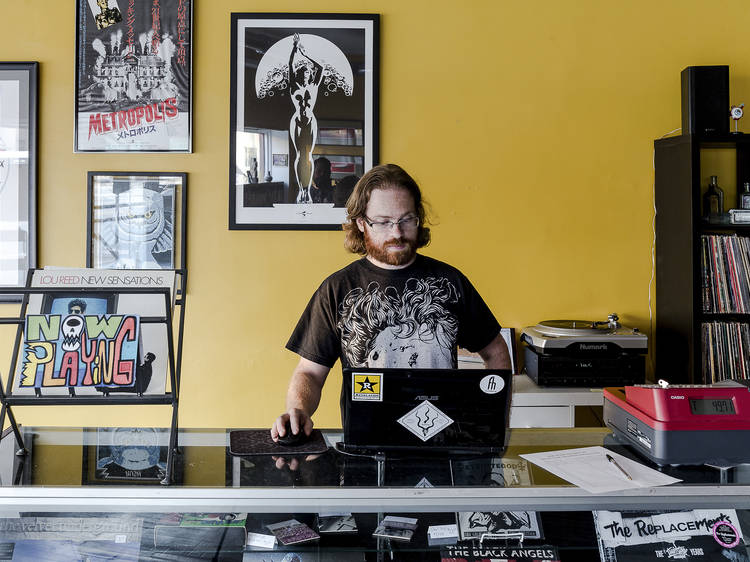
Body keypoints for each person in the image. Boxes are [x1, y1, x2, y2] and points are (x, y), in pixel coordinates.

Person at [271, 163, 511, 441]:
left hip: (445, 450)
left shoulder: (451, 283)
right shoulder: (337, 289)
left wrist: (495, 421)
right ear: (361, 223)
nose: (397, 232)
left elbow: (496, 352)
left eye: (406, 219)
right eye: (383, 222)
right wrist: (297, 410)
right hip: (368, 448)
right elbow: (310, 373)